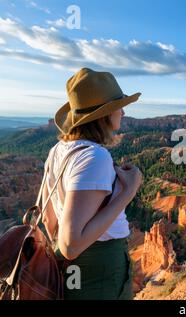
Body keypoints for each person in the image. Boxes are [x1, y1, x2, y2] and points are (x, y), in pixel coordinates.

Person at [41, 67, 143, 300]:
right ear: (104, 114)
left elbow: (49, 220)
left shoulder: (58, 151)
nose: (124, 112)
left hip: (76, 270)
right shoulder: (95, 157)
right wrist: (128, 192)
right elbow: (71, 245)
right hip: (100, 270)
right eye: (118, 106)